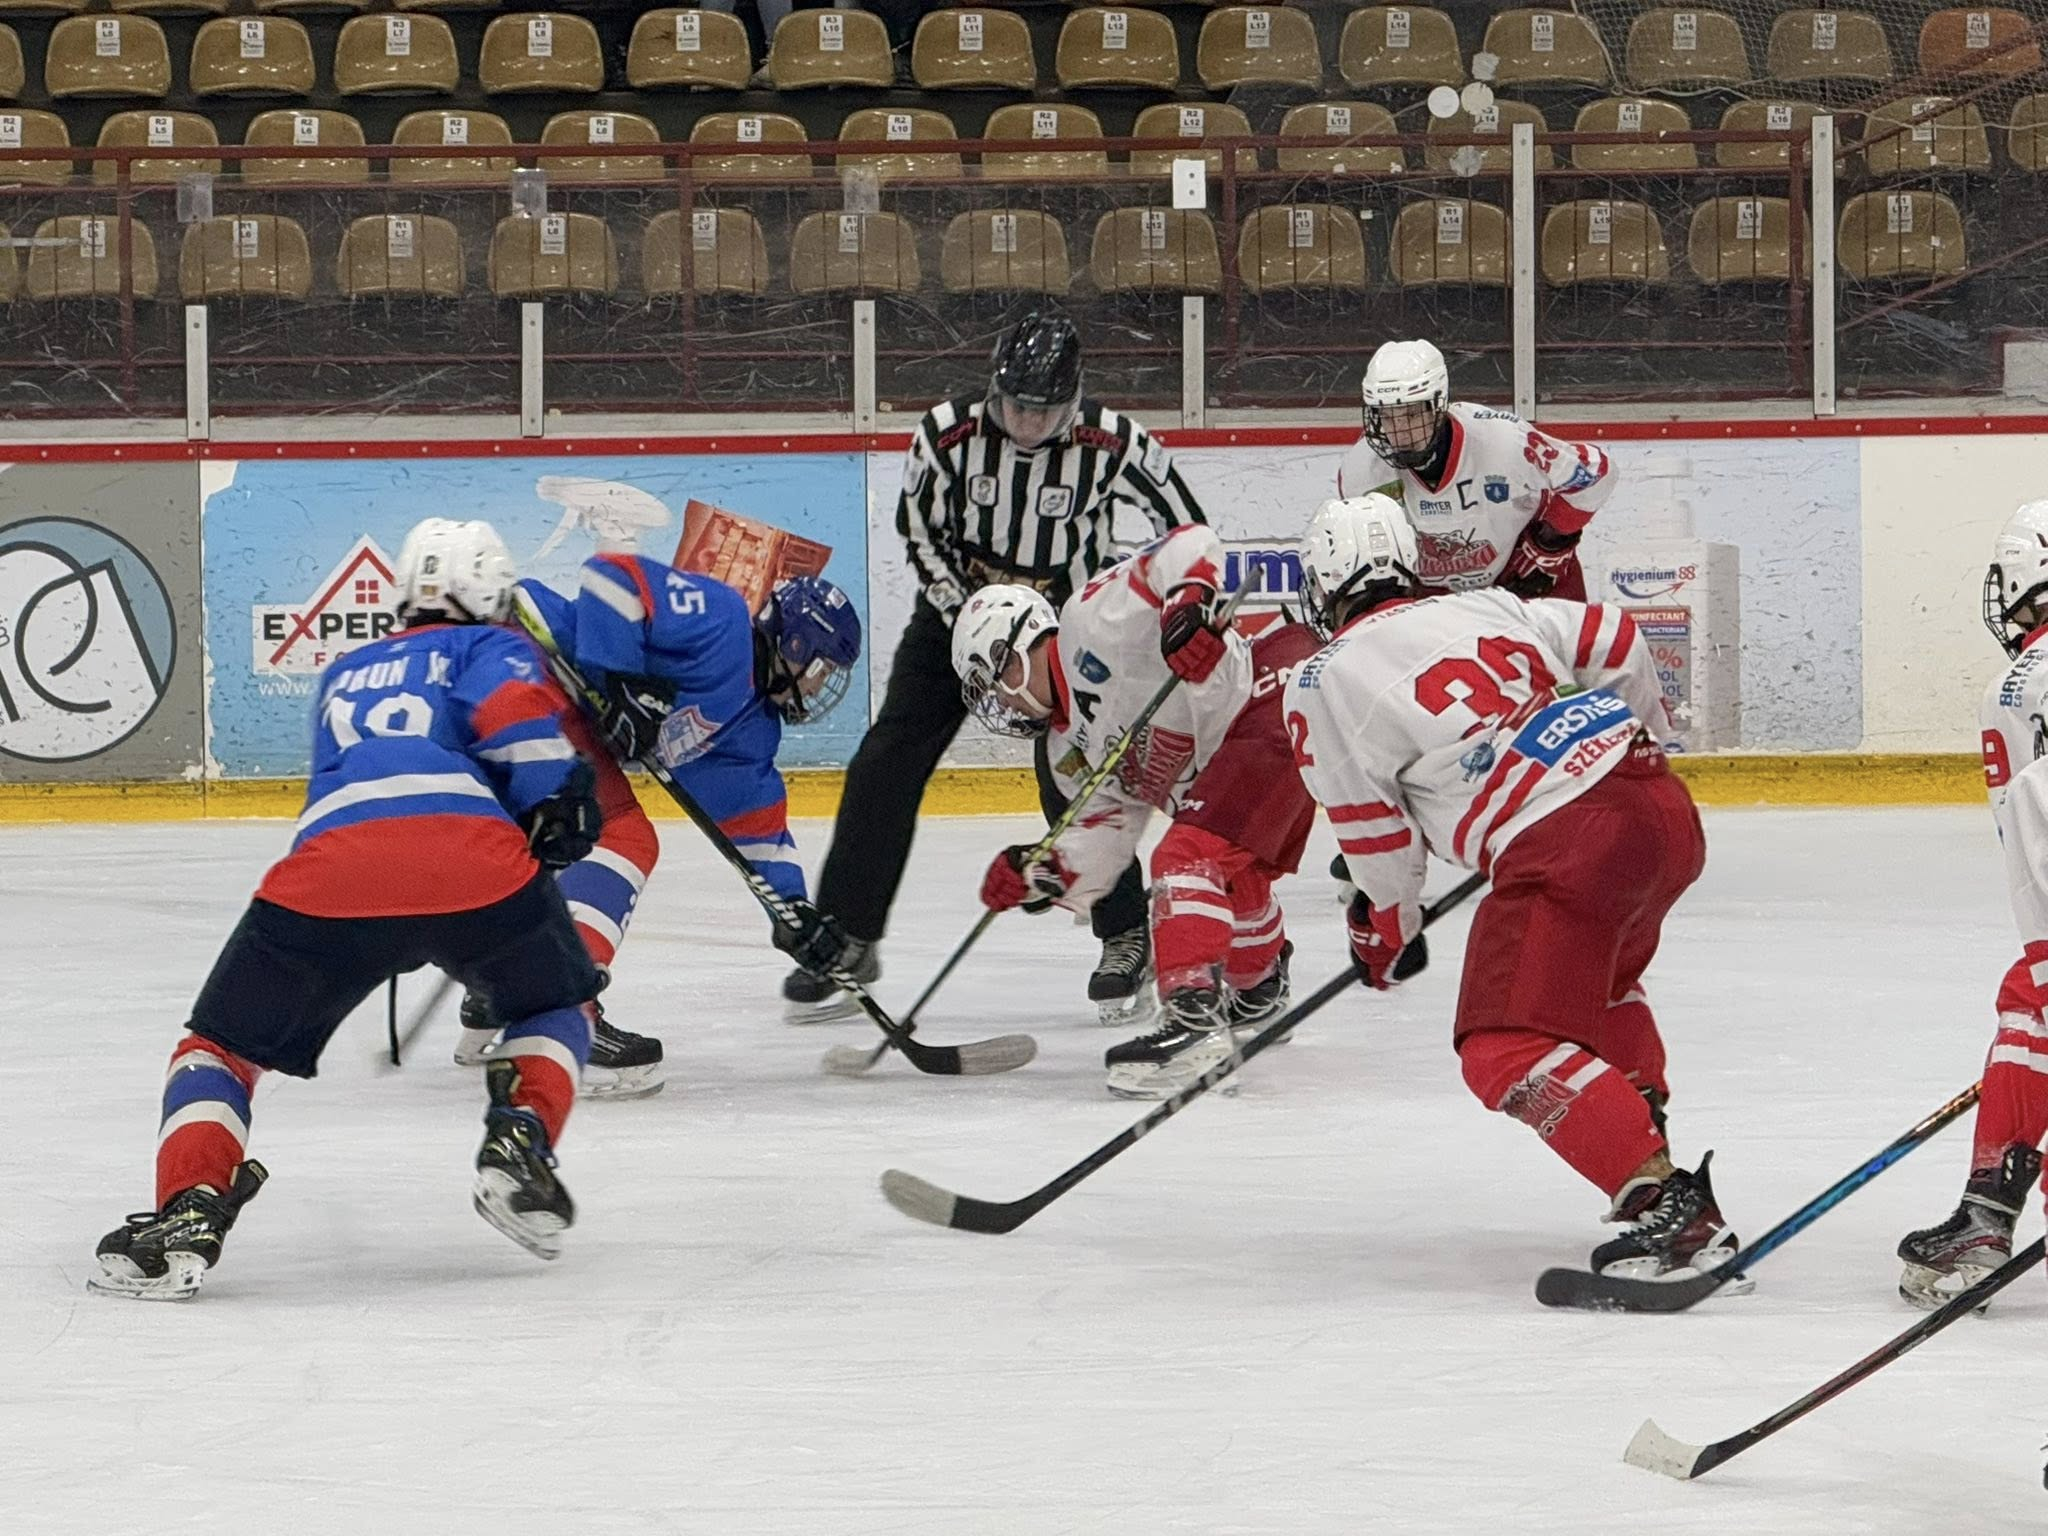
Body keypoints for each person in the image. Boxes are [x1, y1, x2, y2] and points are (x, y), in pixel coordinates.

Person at [90, 519, 606, 1299]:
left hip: (330, 879)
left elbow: (341, 789)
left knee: (219, 1048)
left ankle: (189, 1209)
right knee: (562, 1003)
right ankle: (519, 1141)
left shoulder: (349, 667)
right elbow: (522, 740)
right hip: (475, 871)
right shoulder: (492, 648)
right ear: (494, 593)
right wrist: (563, 806)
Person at [1283, 494, 1739, 1280]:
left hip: (1566, 845)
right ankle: (1635, 1123)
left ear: (1323, 589)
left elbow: (1377, 835)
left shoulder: (1323, 678)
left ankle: (1667, 1205)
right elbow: (1614, 635)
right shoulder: (1488, 603)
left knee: (1502, 1045)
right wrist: (1641, 742)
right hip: (1658, 807)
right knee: (1596, 987)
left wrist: (1387, 930)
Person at [788, 309, 1209, 1025]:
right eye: (1013, 405)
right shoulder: (946, 432)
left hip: (1061, 631)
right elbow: (916, 528)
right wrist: (966, 612)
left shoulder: (1116, 443)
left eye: (1043, 411)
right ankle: (849, 934)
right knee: (886, 761)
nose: (1025, 423)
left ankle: (1125, 934)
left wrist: (1166, 602)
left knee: (1074, 773)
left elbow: (1187, 525)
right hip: (958, 617)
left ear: (1073, 401)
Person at [457, 554, 867, 1094]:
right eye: (820, 670)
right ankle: (560, 1013)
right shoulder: (719, 619)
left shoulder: (750, 732)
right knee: (618, 833)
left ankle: (496, 995)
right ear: (794, 646)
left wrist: (795, 910)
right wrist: (620, 677)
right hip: (526, 667)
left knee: (561, 841)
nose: (818, 689)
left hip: (547, 715)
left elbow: (757, 829)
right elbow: (611, 575)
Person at [951, 523, 1322, 1097]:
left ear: (1014, 649)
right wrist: (1036, 872)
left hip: (1268, 701)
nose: (998, 700)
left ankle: (1193, 1025)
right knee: (1229, 875)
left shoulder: (1088, 619)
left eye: (993, 681)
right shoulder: (1063, 749)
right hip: (1234, 767)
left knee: (1184, 857)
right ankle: (1260, 986)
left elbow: (1187, 546)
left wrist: (1187, 608)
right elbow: (1107, 834)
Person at [1896, 501, 2048, 1308]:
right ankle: (1988, 1211)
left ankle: (1989, 1213)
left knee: (2037, 998)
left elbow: (2024, 836)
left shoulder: (2015, 687)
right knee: (2029, 1005)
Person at [1336, 339, 1614, 600]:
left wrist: (1547, 546)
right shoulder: (1363, 470)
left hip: (1520, 582)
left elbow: (1597, 472)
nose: (1400, 432)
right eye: (1386, 417)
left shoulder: (1504, 441)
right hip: (1433, 602)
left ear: (1437, 405)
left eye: (1411, 414)